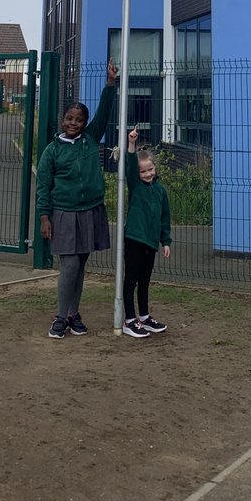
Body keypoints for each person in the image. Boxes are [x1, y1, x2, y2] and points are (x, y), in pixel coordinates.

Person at [37, 59, 119, 339]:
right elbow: (43, 185)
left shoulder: (91, 138)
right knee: (68, 265)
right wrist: (44, 216)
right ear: (63, 120)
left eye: (79, 120)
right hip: (64, 213)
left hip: (90, 211)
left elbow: (104, 112)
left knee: (81, 265)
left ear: (85, 124)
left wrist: (110, 84)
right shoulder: (52, 150)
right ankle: (60, 317)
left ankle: (73, 314)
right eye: (70, 119)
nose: (74, 123)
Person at [122, 126, 172, 338]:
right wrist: (131, 143)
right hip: (134, 239)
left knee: (145, 280)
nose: (147, 174)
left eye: (150, 169)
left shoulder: (161, 191)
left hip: (150, 243)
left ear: (155, 168)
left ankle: (144, 317)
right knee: (131, 279)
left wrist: (165, 241)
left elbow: (164, 218)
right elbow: (130, 166)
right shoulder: (135, 186)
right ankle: (129, 320)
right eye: (143, 171)